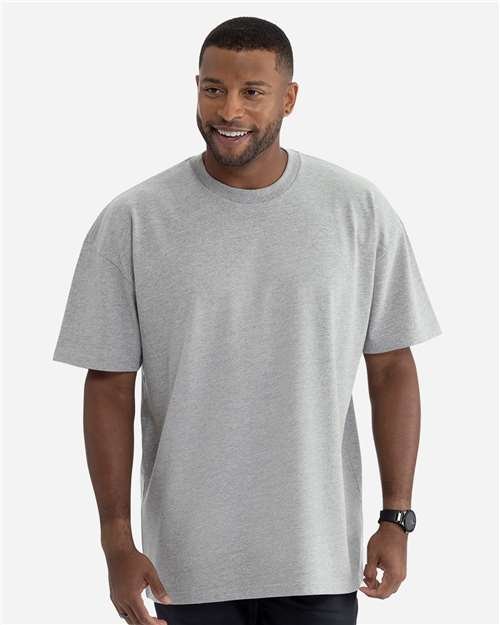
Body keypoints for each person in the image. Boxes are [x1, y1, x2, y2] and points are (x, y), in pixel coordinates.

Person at [52, 15, 442, 625]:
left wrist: (397, 517)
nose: (229, 109)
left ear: (289, 98)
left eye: (252, 92)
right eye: (214, 89)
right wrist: (116, 541)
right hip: (185, 566)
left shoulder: (358, 210)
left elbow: (392, 366)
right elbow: (108, 386)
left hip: (318, 556)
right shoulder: (133, 220)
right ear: (197, 89)